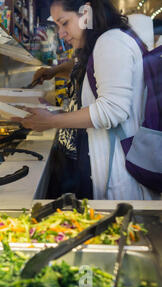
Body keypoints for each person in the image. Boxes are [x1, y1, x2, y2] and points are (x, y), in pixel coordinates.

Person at [12, 0, 160, 200]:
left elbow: (112, 109)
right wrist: (54, 72)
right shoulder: (103, 42)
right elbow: (87, 69)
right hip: (91, 162)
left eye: (64, 23)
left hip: (113, 172)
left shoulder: (111, 42)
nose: (61, 33)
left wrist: (50, 121)